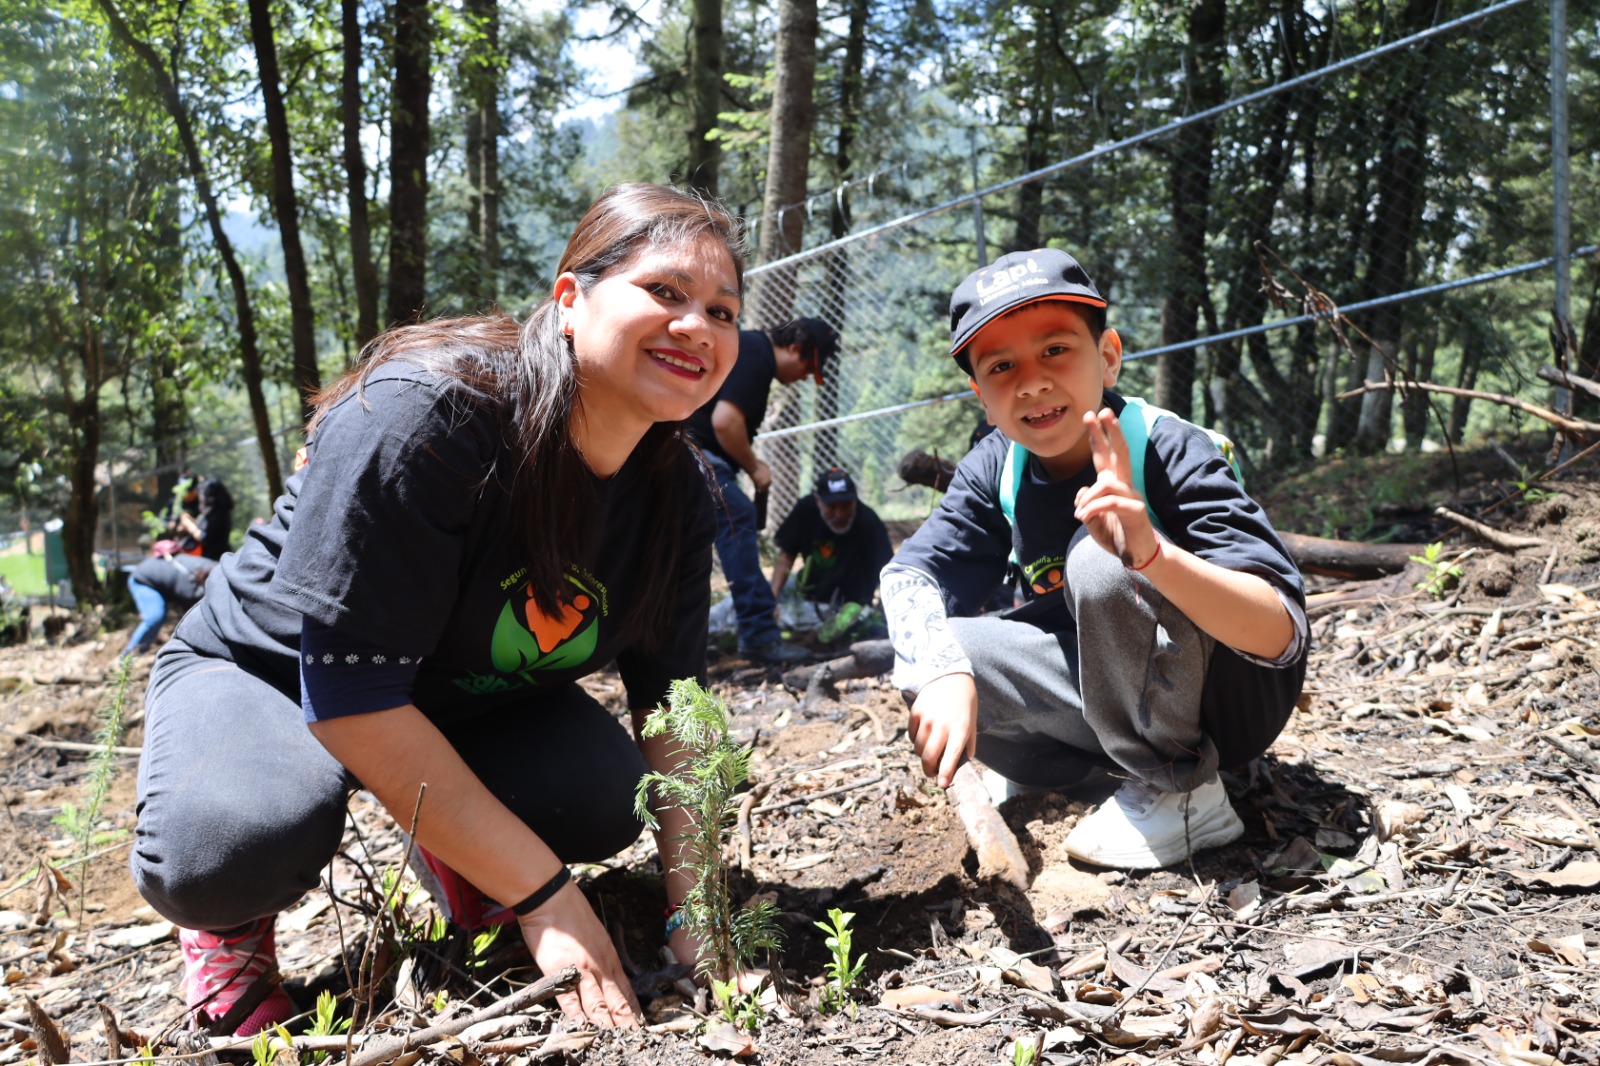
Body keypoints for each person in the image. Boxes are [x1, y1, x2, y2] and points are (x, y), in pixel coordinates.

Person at [130, 183, 748, 1036]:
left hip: (455, 701)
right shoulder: (430, 417)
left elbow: (676, 713)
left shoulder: (677, 490)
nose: (698, 327)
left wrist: (697, 917)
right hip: (273, 673)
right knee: (229, 849)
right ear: (570, 299)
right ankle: (233, 930)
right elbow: (351, 700)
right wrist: (546, 898)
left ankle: (462, 851)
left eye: (723, 309)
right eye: (665, 292)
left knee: (606, 800)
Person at [881, 248, 1308, 871]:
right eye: (1002, 366)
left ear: (1107, 355)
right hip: (1110, 686)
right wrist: (940, 668)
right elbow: (910, 576)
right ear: (979, 393)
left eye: (1055, 349)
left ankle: (1183, 789)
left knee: (1100, 560)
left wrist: (1151, 553)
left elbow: (1280, 634)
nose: (1030, 382)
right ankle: (1105, 776)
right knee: (937, 650)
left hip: (1228, 698)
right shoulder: (997, 466)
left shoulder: (1171, 447)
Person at [687, 316, 838, 664]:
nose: (802, 377)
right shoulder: (757, 352)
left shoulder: (752, 351)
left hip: (690, 449)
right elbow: (725, 423)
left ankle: (665, 639)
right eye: (806, 367)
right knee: (736, 513)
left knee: (684, 542)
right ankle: (759, 635)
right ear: (795, 348)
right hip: (692, 449)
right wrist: (755, 468)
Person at [769, 466, 892, 642]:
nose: (839, 514)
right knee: (754, 599)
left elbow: (888, 570)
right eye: (831, 506)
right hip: (806, 590)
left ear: (855, 500)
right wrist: (772, 599)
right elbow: (786, 556)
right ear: (818, 500)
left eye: (846, 505)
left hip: (847, 607)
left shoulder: (868, 522)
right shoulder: (806, 510)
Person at [122, 552, 214, 657]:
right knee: (155, 617)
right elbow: (191, 616)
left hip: (161, 579)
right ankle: (128, 658)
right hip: (143, 580)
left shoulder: (214, 568)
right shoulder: (189, 586)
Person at [165, 474, 234, 561]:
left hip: (214, 559)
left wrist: (189, 524)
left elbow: (205, 538)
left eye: (201, 493)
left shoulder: (218, 514)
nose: (200, 497)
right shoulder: (211, 513)